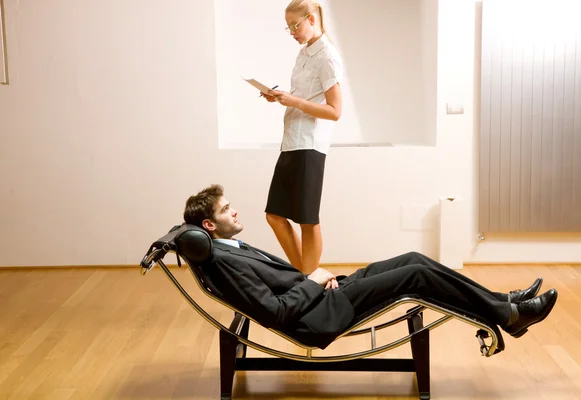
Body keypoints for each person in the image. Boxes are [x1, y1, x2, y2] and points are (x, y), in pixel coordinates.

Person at [183, 184, 559, 350]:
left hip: (325, 295)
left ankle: (502, 300)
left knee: (413, 259)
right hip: (318, 316)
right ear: (209, 226)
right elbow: (275, 312)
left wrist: (318, 281)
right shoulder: (225, 261)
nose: (234, 209)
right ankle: (509, 316)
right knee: (416, 277)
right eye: (225, 209)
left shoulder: (228, 248)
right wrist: (313, 280)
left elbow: (281, 289)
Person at [260, 0, 344, 274]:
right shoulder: (304, 54)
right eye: (288, 28)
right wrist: (280, 97)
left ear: (311, 19)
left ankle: (308, 284)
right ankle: (306, 278)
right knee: (274, 215)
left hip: (309, 145)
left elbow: (334, 111)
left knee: (308, 220)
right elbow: (303, 98)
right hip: (291, 143)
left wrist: (293, 101)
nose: (292, 31)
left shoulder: (327, 56)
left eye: (295, 25)